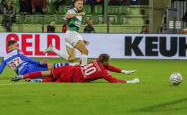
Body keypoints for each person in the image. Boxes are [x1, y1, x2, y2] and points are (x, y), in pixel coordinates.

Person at [11, 54, 139, 84]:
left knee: (46, 73)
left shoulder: (95, 60)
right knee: (54, 81)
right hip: (71, 77)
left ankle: (23, 77)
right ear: (104, 62)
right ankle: (36, 82)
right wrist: (129, 81)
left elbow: (109, 66)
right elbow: (113, 81)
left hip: (68, 68)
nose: (109, 63)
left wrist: (124, 71)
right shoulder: (103, 72)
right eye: (108, 62)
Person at [43, 0, 89, 66]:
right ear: (75, 4)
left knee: (71, 58)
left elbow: (75, 29)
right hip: (71, 34)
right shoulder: (72, 11)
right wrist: (78, 14)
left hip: (71, 35)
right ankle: (84, 70)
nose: (80, 5)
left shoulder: (79, 15)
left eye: (81, 4)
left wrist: (81, 39)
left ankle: (53, 49)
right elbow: (66, 16)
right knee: (85, 51)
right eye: (79, 3)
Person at [0, 40, 77, 76]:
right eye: (16, 45)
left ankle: (72, 66)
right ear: (11, 46)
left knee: (49, 70)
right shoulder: (17, 51)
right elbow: (26, 59)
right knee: (51, 67)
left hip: (22, 73)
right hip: (28, 68)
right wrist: (39, 62)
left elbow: (0, 71)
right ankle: (73, 66)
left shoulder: (4, 58)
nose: (17, 47)